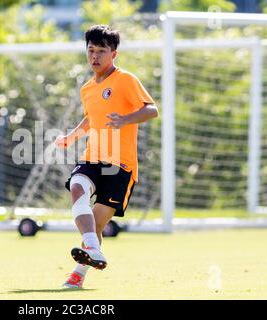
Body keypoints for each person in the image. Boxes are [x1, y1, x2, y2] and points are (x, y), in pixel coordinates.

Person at [55, 25, 159, 289]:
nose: (95, 56)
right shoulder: (87, 88)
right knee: (77, 187)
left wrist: (126, 119)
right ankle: (92, 248)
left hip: (121, 165)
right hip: (93, 158)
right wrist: (72, 136)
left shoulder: (125, 80)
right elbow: (91, 118)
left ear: (114, 53)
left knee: (96, 224)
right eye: (91, 50)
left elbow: (151, 110)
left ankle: (78, 274)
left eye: (101, 51)